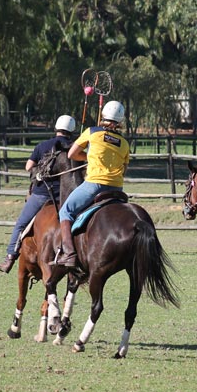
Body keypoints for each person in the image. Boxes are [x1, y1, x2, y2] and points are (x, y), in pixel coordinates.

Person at [0, 115, 76, 273]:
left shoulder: (42, 145)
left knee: (21, 224)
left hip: (42, 194)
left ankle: (10, 258)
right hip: (67, 196)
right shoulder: (75, 148)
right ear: (72, 131)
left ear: (56, 128)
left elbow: (28, 167)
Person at [55, 100, 130, 268]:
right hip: (118, 189)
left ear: (103, 116)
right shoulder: (124, 143)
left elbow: (72, 154)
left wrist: (88, 156)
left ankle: (69, 254)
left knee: (65, 212)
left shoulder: (92, 132)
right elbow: (124, 170)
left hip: (94, 185)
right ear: (120, 121)